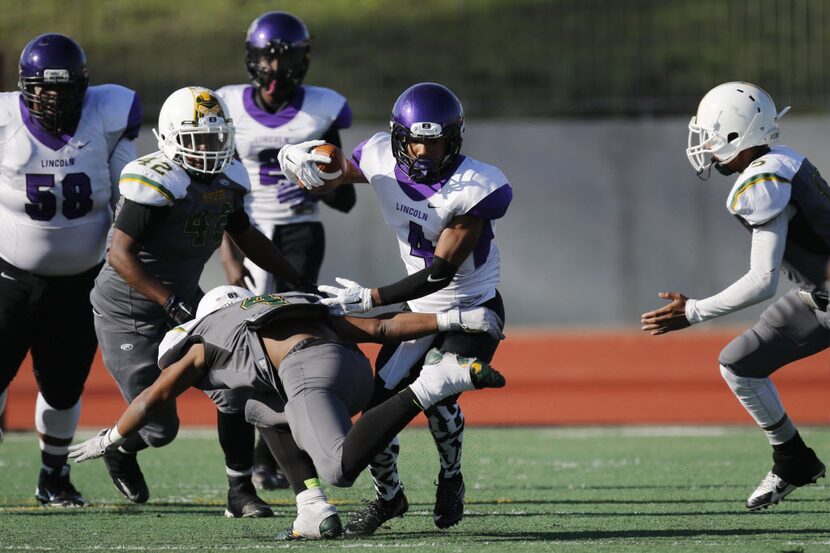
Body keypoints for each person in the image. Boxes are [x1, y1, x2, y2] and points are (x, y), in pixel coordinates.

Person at [68, 285, 506, 539]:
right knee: (260, 410)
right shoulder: (281, 305)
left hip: (308, 371)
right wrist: (455, 321)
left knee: (339, 467)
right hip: (350, 368)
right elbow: (381, 328)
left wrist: (111, 437)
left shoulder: (204, 335)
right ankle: (311, 507)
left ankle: (432, 386)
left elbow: (152, 397)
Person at [277, 82, 512, 533]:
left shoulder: (477, 186)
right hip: (418, 308)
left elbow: (440, 271)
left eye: (437, 141)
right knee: (376, 410)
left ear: (455, 139)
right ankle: (389, 498)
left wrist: (371, 298)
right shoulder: (382, 153)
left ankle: (451, 476)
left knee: (439, 397)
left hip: (472, 308)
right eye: (416, 141)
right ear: (399, 137)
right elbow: (338, 169)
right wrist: (299, 158)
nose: (424, 152)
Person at [89, 86, 307, 518]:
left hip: (184, 297)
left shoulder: (228, 181)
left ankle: (240, 492)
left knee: (236, 389)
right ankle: (120, 447)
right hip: (129, 308)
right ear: (170, 138)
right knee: (160, 426)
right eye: (196, 139)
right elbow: (119, 254)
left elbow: (245, 236)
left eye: (214, 138)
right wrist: (170, 302)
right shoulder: (155, 179)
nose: (207, 149)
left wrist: (296, 277)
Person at [641, 81, 827, 511]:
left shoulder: (765, 179)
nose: (704, 144)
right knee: (740, 365)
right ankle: (793, 459)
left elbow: (762, 281)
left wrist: (694, 311)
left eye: (710, 134)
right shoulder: (784, 162)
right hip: (818, 300)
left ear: (734, 134)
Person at [216, 11, 356, 490]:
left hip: (299, 231)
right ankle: (263, 454)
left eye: (285, 59)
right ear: (251, 59)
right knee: (251, 338)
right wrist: (230, 254)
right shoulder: (228, 105)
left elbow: (346, 196)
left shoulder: (321, 109)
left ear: (302, 60)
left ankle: (270, 455)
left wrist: (317, 182)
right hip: (248, 229)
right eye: (267, 59)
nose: (275, 71)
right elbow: (219, 189)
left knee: (291, 333)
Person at [0, 33, 141, 507]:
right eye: (43, 88)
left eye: (63, 89)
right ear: (25, 87)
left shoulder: (108, 114)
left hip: (82, 281)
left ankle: (53, 476)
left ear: (84, 86)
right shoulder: (4, 122)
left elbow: (132, 189)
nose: (53, 98)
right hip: (10, 278)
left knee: (62, 389)